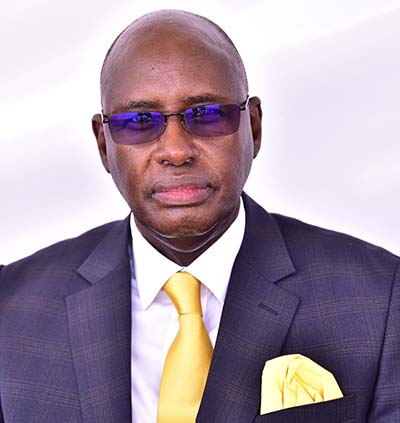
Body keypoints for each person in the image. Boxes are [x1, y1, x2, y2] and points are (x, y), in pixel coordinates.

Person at [0, 9, 399, 423]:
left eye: (207, 115)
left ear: (254, 127)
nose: (175, 151)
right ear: (104, 144)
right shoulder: (10, 307)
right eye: (139, 121)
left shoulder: (380, 299)